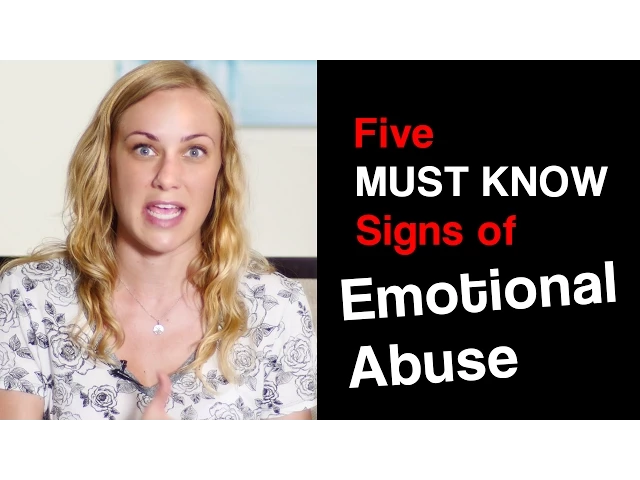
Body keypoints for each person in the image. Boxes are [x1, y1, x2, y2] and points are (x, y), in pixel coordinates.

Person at [0, 60, 317, 420]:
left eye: (194, 151)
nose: (167, 177)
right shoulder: (29, 296)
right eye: (144, 149)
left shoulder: (276, 309)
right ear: (106, 161)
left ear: (220, 171)